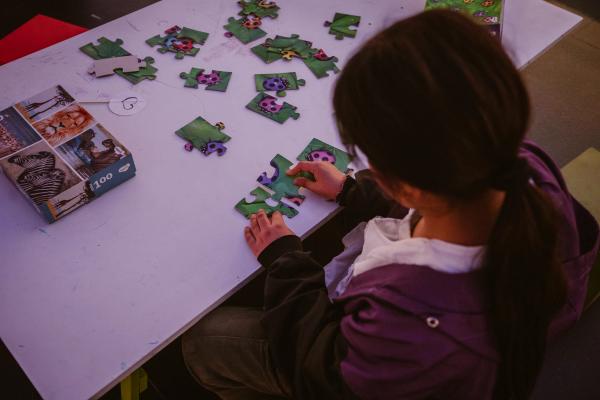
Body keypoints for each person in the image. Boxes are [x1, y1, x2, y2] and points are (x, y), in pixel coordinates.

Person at [182, 9, 599, 400]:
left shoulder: (410, 322)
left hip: (370, 372)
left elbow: (326, 372)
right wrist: (352, 190)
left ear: (408, 187)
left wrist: (287, 261)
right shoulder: (521, 161)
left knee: (205, 341)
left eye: (371, 160)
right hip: (475, 334)